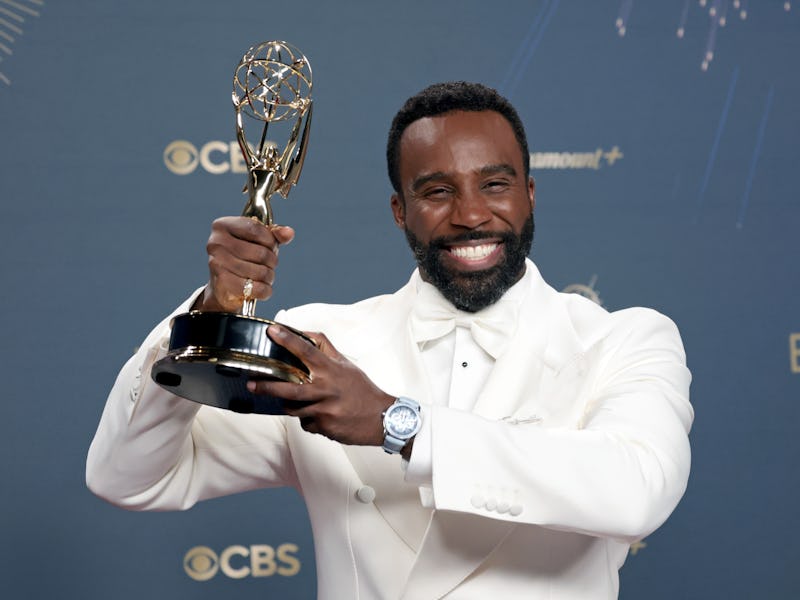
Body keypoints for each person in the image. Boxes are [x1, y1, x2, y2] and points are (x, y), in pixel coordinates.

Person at [87, 81, 693, 599]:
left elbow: (635, 491)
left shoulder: (625, 339)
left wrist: (396, 423)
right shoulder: (323, 346)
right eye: (437, 191)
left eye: (495, 185)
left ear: (530, 194)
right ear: (400, 211)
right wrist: (210, 317)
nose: (471, 214)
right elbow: (127, 478)